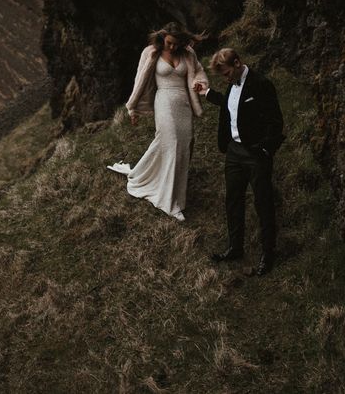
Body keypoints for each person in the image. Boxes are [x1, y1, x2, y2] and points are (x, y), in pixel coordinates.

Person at [194, 48, 284, 276]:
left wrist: (265, 149)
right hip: (234, 152)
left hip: (255, 154)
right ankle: (235, 247)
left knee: (263, 202)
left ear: (237, 63)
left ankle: (268, 254)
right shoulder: (231, 84)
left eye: (226, 73)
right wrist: (208, 93)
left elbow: (275, 120)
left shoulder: (261, 84)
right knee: (233, 199)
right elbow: (231, 105)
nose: (226, 78)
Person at [107, 22, 208, 221]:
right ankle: (169, 201)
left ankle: (162, 184)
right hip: (164, 101)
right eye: (169, 43)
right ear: (163, 38)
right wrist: (132, 107)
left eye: (176, 44)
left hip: (183, 103)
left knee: (184, 145)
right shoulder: (151, 52)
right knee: (171, 142)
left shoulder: (187, 53)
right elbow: (140, 79)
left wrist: (199, 83)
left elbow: (199, 72)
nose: (172, 48)